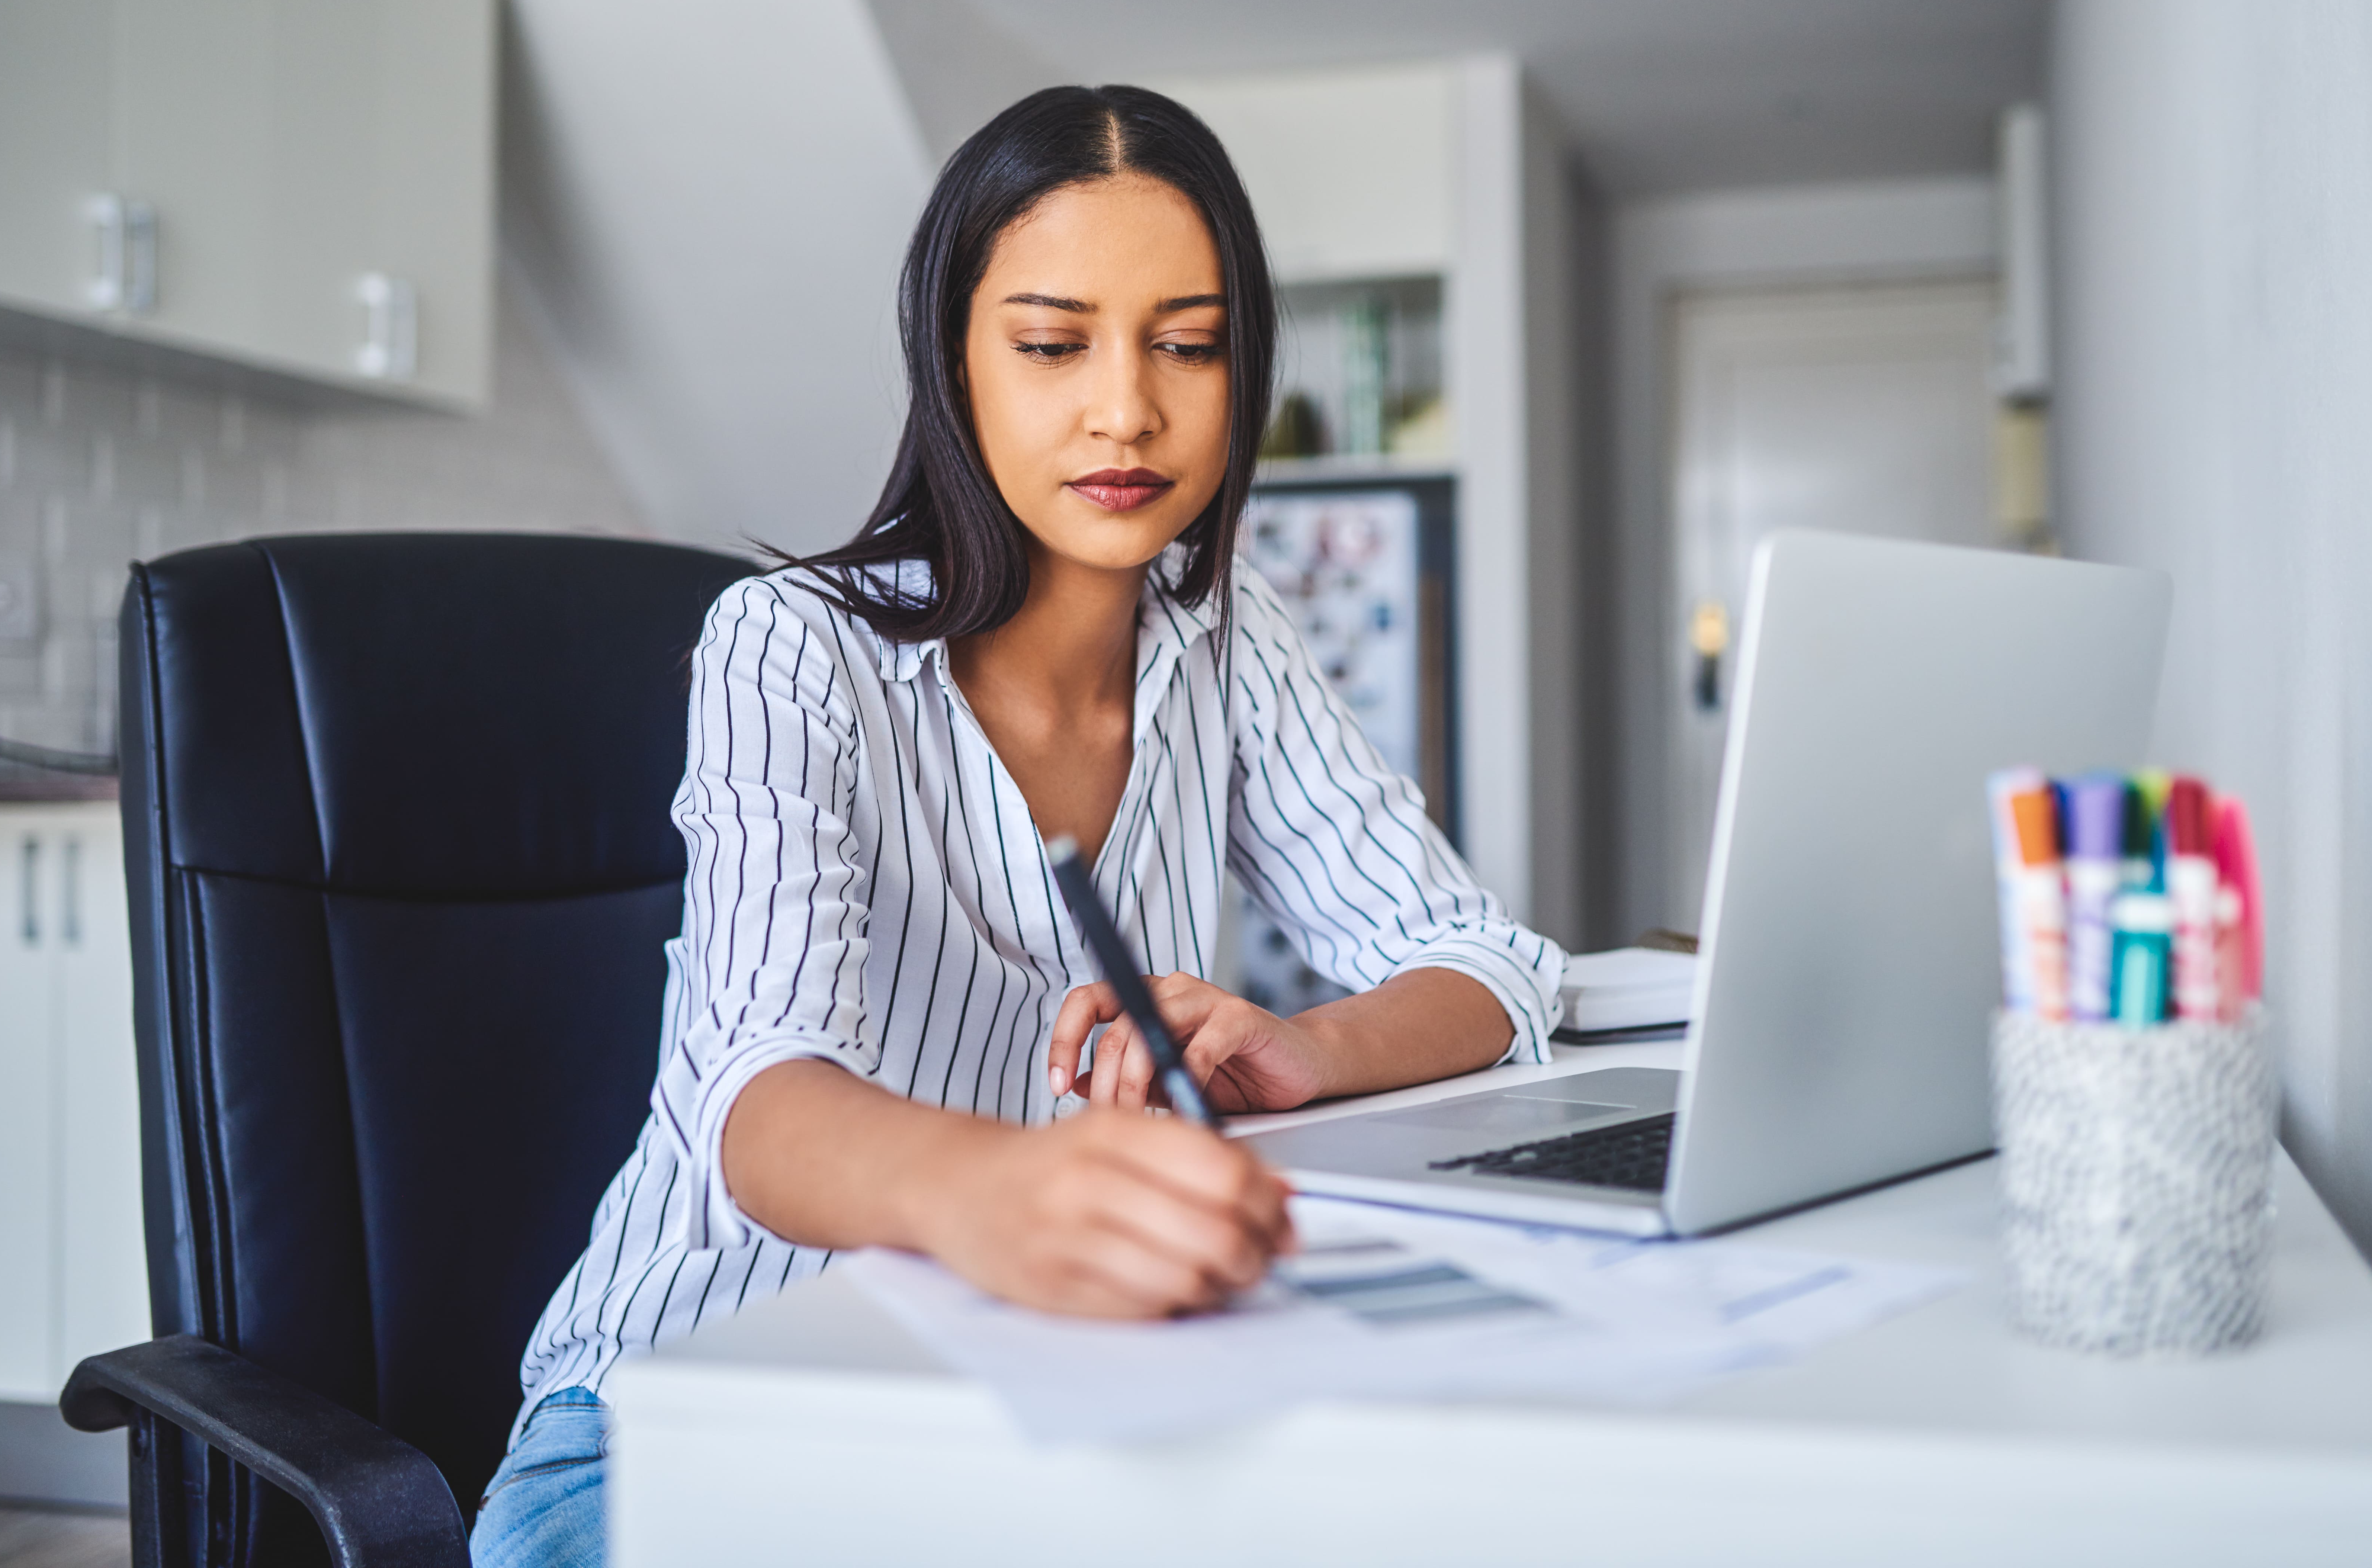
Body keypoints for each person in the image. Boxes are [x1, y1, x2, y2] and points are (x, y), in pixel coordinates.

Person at [467, 85, 1565, 1568]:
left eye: (1188, 344)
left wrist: (1309, 1048)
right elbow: (753, 1093)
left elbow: (1485, 965)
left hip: (1042, 1384)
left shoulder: (1231, 638)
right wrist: (993, 1187)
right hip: (689, 1409)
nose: (1128, 408)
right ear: (956, 366)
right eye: (1052, 346)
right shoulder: (791, 647)